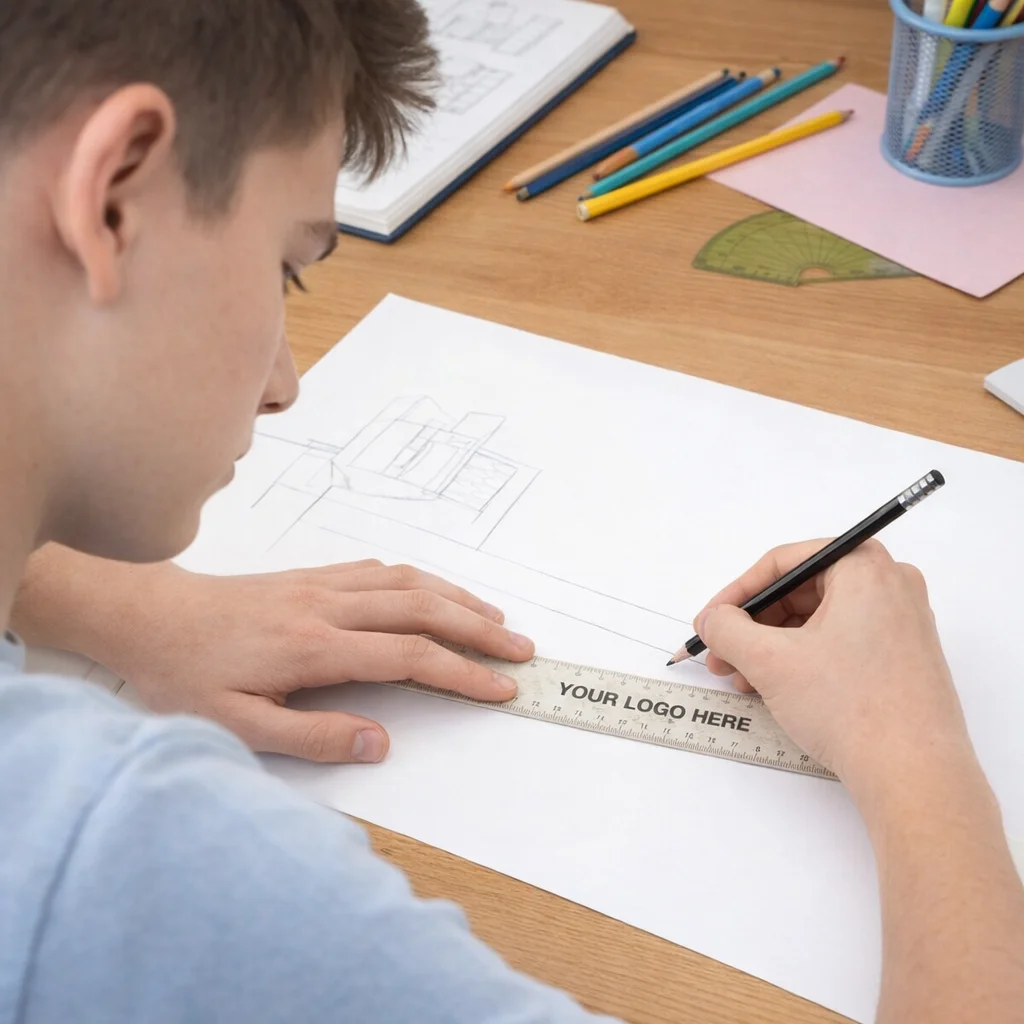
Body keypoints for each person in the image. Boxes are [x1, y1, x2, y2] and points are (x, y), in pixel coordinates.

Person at [0, 3, 1021, 1024]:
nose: (286, 385)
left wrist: (107, 600)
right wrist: (914, 754)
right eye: (287, 266)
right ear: (115, 199)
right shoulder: (128, 858)